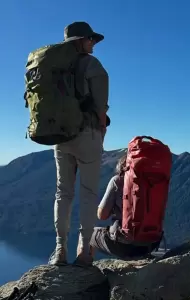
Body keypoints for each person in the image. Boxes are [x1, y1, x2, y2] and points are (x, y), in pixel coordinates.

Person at [49, 21, 109, 266]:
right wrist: (101, 130)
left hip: (60, 136)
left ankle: (60, 249)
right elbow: (100, 106)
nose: (93, 44)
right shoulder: (92, 65)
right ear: (82, 40)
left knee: (63, 193)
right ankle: (84, 251)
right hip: (87, 134)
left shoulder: (52, 66)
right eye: (91, 39)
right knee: (88, 193)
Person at [89, 154, 161, 259]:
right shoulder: (154, 182)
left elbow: (102, 215)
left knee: (86, 233)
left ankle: (84, 266)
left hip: (124, 245)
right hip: (151, 243)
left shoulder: (117, 180)